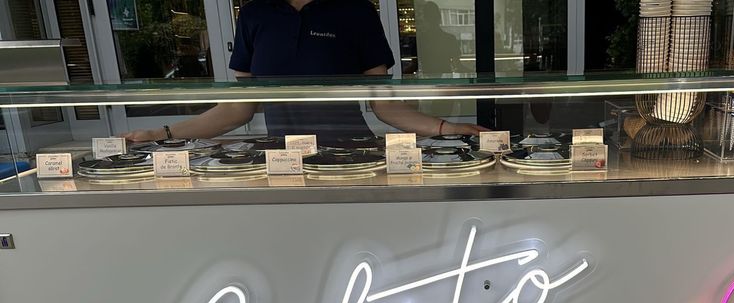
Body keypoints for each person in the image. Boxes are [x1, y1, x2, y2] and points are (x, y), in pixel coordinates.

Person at [125, 0, 486, 144]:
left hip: (351, 157)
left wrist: (448, 129)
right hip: (282, 160)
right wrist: (161, 133)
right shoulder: (254, 14)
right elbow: (237, 109)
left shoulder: (355, 12)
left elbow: (386, 106)